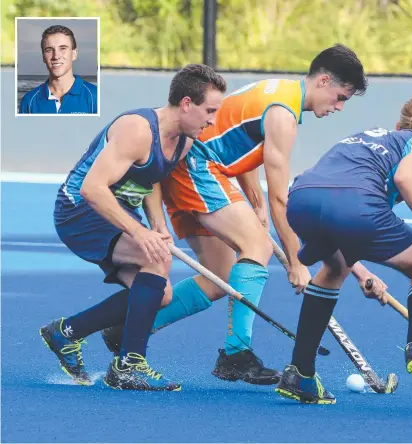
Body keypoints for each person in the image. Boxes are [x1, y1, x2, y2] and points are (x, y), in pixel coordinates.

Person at [100, 44, 384, 386]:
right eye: (341, 97)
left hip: (197, 168)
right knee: (258, 247)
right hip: (199, 167)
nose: (338, 107)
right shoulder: (284, 115)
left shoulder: (277, 91)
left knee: (219, 275)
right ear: (324, 81)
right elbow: (282, 198)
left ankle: (130, 330)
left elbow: (239, 140)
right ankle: (236, 354)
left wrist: (254, 201)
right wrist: (296, 262)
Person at [274, 96, 412, 404]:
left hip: (301, 199)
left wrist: (362, 273)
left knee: (334, 269)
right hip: (355, 206)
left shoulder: (367, 136)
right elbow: (404, 177)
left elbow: (337, 208)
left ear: (398, 125)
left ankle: (300, 375)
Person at [39, 64, 227, 391]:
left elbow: (150, 178)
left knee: (160, 294)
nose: (212, 119)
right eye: (209, 110)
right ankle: (129, 365)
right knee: (156, 259)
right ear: (186, 103)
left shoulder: (182, 141)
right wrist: (141, 233)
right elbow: (93, 189)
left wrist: (157, 224)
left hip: (115, 210)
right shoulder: (138, 130)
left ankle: (66, 332)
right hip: (80, 210)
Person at [19, 25, 98, 114]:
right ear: (43, 57)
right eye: (49, 50)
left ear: (74, 54)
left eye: (63, 48)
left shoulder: (95, 97)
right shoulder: (29, 101)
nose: (56, 56)